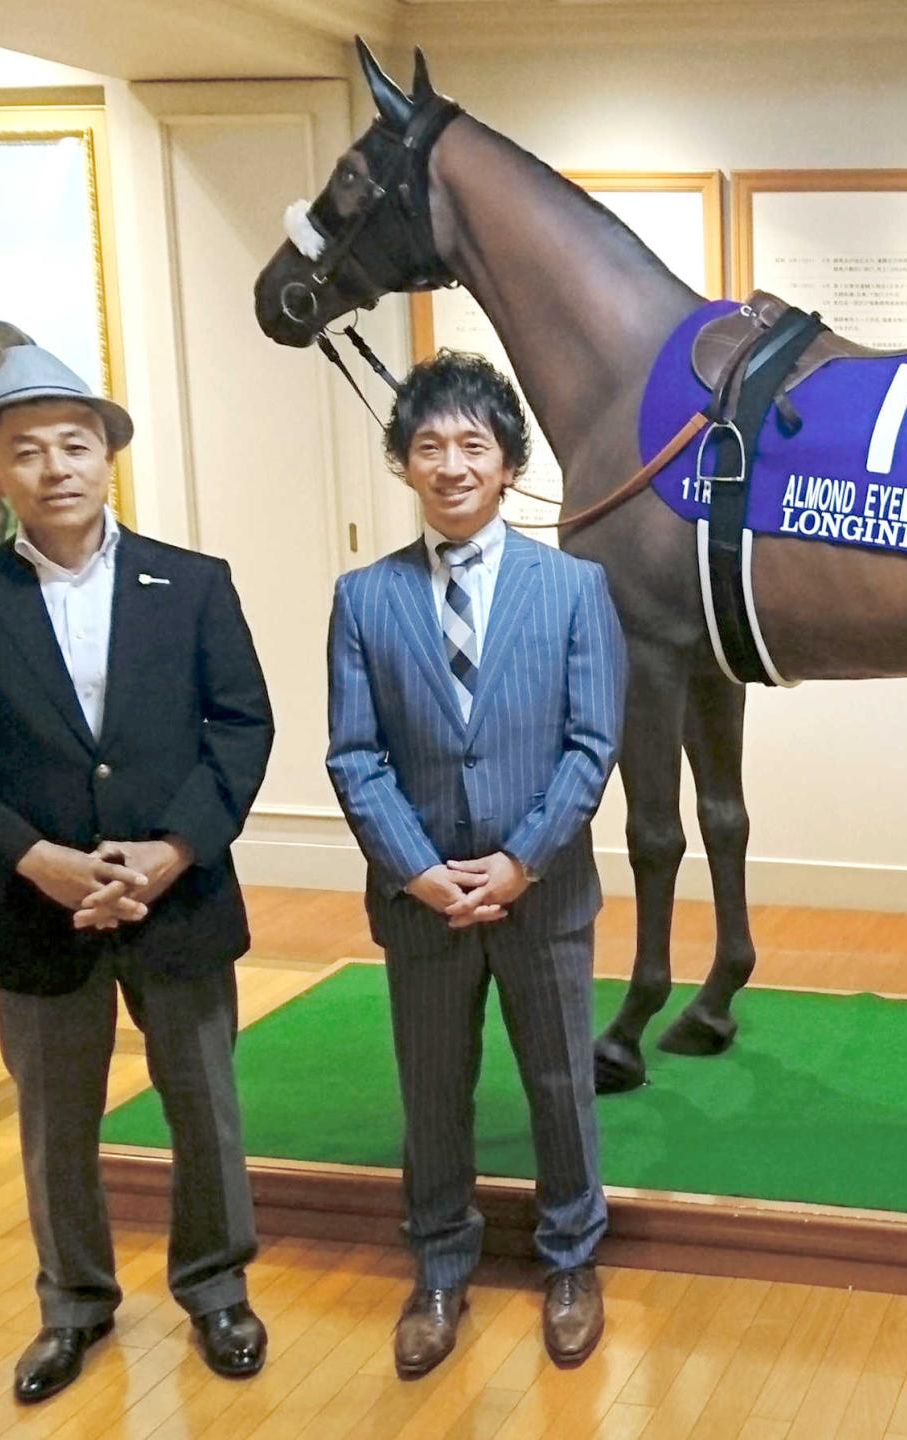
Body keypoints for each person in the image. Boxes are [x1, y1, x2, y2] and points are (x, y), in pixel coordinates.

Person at [0, 345, 275, 1404]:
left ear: (107, 457)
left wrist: (176, 848)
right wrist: (32, 858)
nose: (54, 466)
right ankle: (74, 1305)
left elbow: (240, 726)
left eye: (74, 443)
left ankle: (216, 1287)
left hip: (176, 895)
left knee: (205, 1103)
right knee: (56, 1119)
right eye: (26, 450)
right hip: (30, 907)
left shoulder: (191, 584)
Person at [325, 350, 626, 1376]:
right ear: (404, 467)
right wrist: (416, 868)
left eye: (472, 445)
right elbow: (354, 754)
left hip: (541, 895)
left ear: (506, 465)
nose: (450, 464)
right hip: (419, 905)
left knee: (557, 1083)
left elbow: (593, 745)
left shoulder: (575, 588)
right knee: (433, 1088)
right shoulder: (365, 599)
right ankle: (440, 1267)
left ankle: (571, 1258)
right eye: (427, 446)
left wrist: (521, 860)